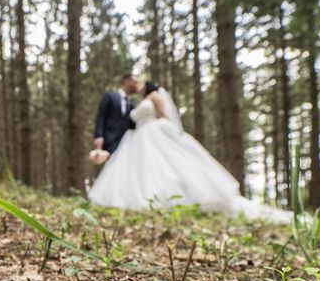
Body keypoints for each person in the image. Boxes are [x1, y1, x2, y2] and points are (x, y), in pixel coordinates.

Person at [88, 81, 292, 223]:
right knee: (146, 171)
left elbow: (164, 117)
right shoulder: (138, 103)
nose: (138, 89)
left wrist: (161, 130)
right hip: (139, 138)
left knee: (164, 168)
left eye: (141, 86)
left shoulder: (155, 97)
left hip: (153, 134)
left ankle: (173, 200)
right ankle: (147, 200)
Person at [93, 74, 140, 155]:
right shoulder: (110, 96)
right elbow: (101, 116)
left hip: (127, 142)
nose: (136, 85)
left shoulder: (132, 104)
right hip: (110, 141)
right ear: (126, 81)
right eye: (135, 82)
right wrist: (99, 136)